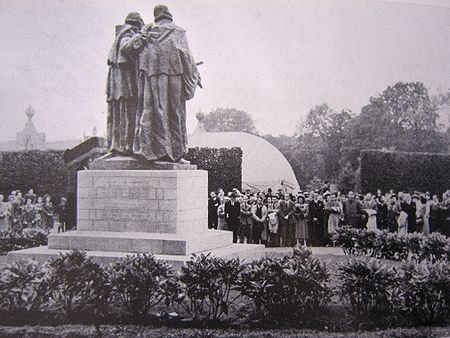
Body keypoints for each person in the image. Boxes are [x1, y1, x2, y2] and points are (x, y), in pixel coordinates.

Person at [132, 5, 200, 163]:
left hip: (151, 76)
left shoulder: (148, 33)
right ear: (169, 16)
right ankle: (175, 153)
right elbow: (188, 59)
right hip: (174, 75)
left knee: (153, 112)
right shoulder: (177, 32)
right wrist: (193, 80)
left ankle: (152, 151)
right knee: (174, 113)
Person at [106, 12, 144, 154]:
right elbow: (126, 47)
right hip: (125, 84)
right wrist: (141, 37)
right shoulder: (127, 34)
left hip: (118, 85)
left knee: (119, 114)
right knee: (127, 113)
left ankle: (120, 145)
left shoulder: (120, 36)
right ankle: (126, 146)